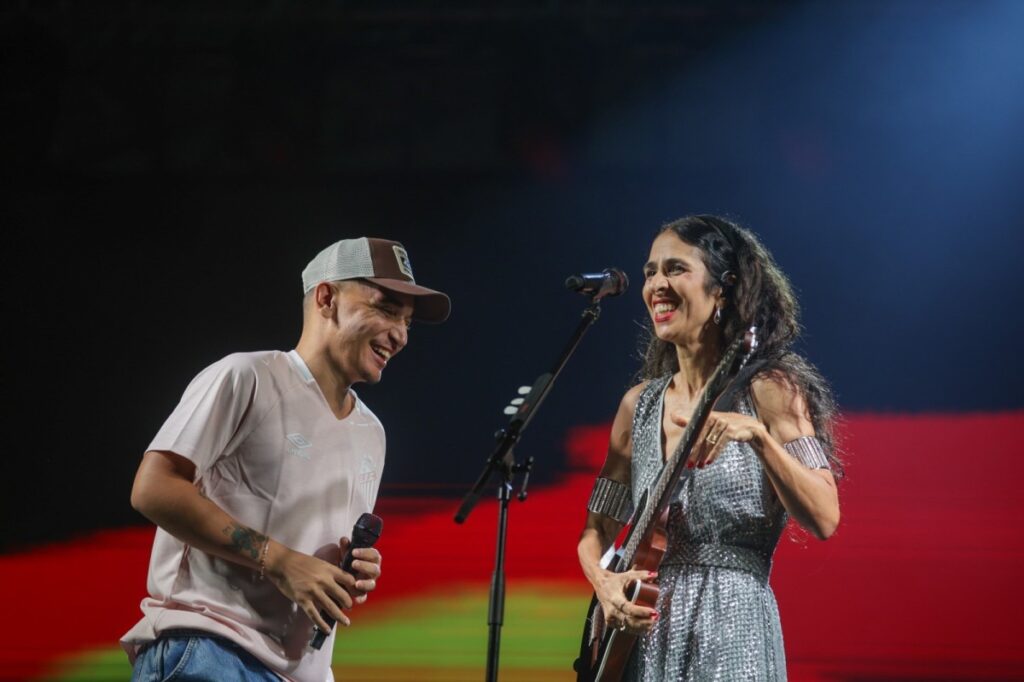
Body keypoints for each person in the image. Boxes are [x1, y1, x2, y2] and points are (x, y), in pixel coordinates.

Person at [122, 237, 450, 682]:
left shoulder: (372, 432)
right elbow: (153, 487)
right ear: (326, 298)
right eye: (387, 309)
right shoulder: (247, 376)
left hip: (301, 672)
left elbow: (311, 555)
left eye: (408, 322)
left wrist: (347, 571)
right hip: (211, 651)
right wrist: (279, 560)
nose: (401, 335)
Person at [577, 215, 841, 681]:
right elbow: (596, 529)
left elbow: (824, 515)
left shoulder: (770, 389)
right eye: (650, 272)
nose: (657, 284)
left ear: (722, 288)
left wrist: (758, 437)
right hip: (643, 636)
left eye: (676, 269)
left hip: (734, 628)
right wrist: (605, 584)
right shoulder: (638, 406)